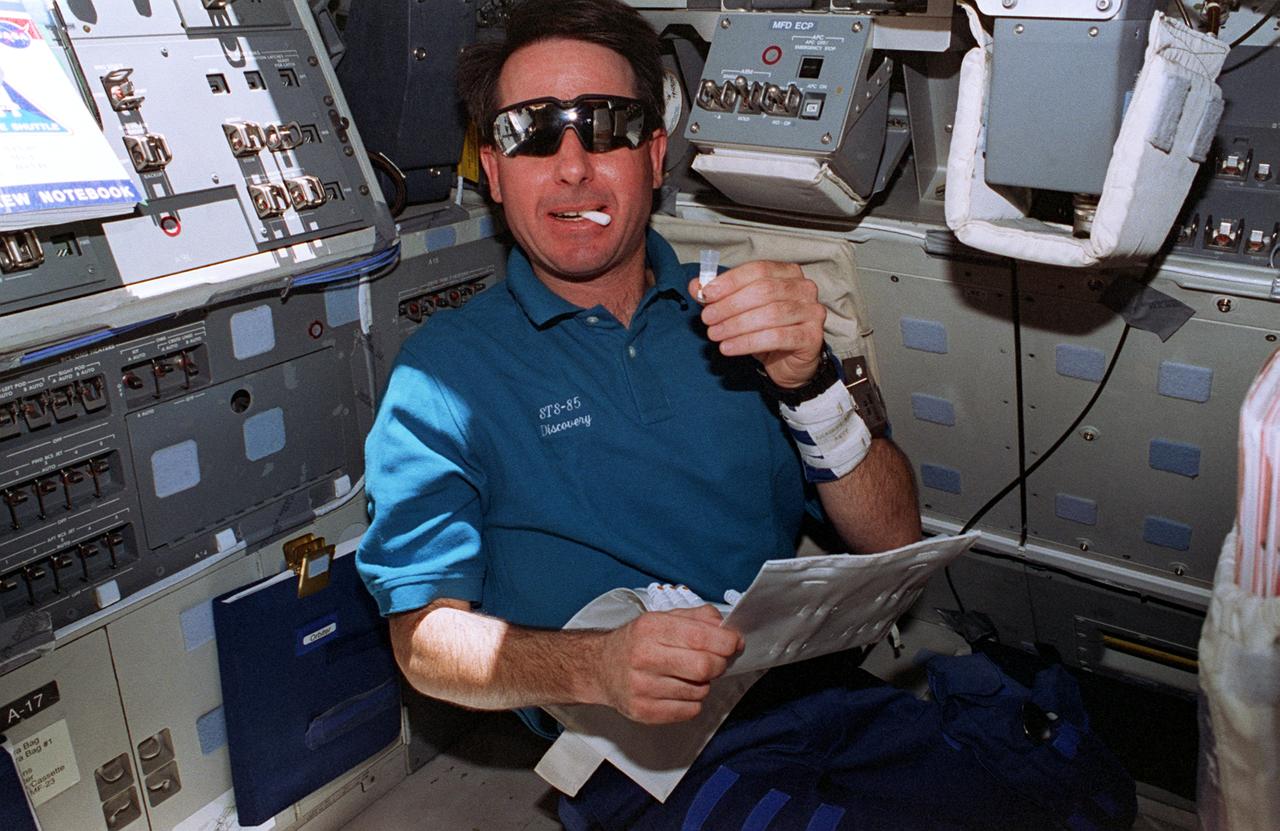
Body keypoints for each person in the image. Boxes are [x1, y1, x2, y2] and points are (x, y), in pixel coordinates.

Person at [356, 0, 928, 824]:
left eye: (607, 125)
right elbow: (424, 643)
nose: (574, 165)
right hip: (636, 749)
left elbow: (894, 538)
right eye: (531, 132)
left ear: (655, 156)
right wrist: (598, 667)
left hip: (809, 689)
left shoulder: (743, 321)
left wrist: (810, 386)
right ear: (493, 167)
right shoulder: (444, 373)